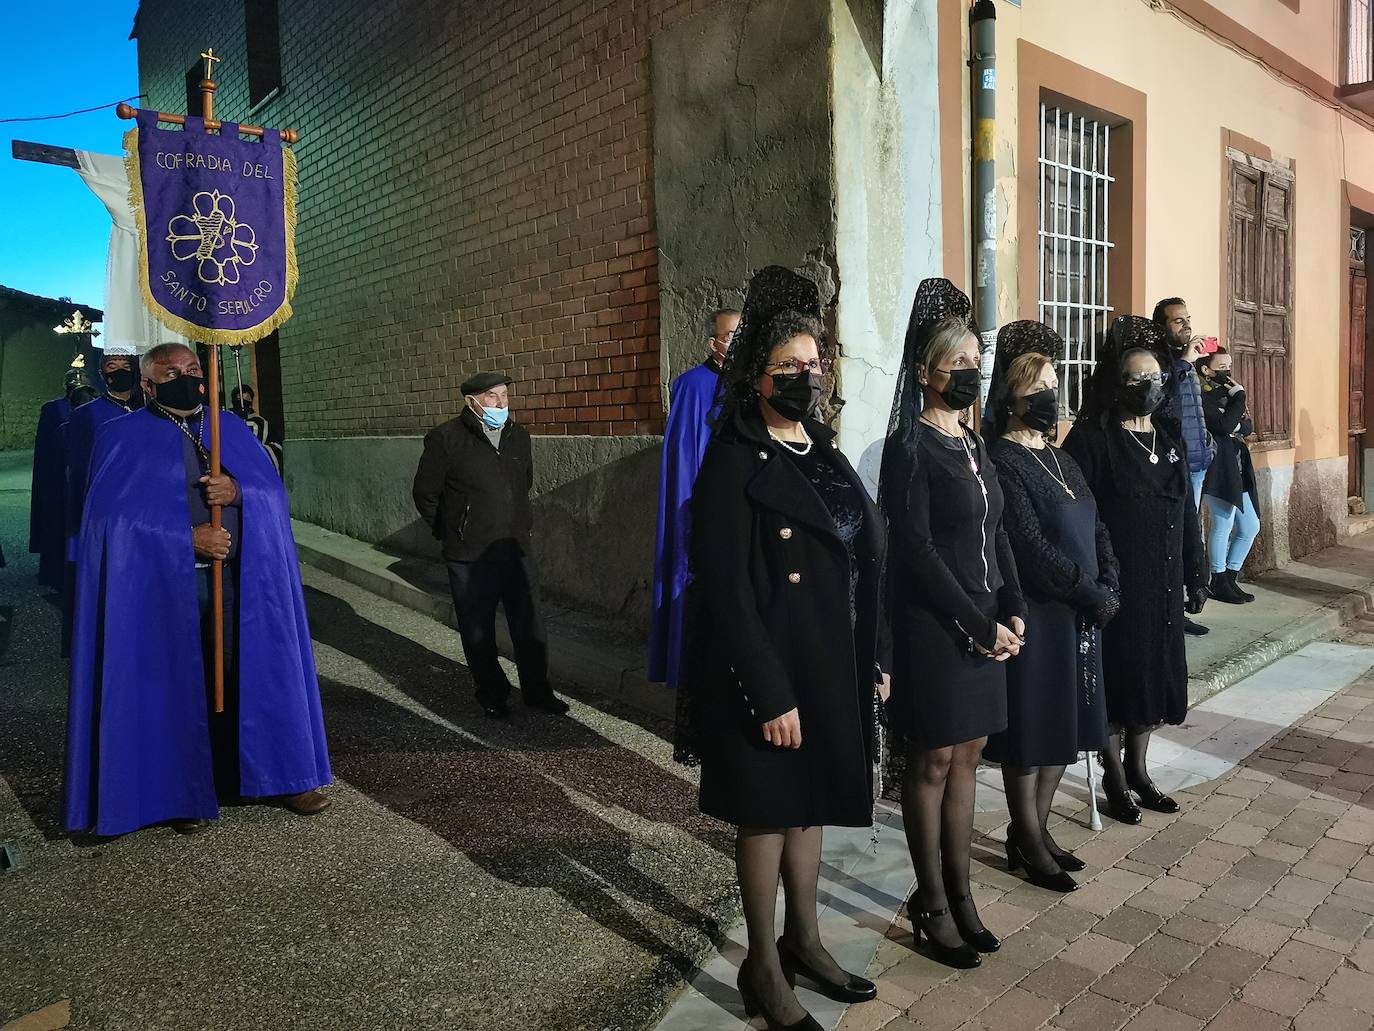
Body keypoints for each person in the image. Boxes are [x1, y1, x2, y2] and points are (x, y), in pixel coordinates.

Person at [676, 266, 885, 1030]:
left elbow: (867, 553)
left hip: (830, 660)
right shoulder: (734, 458)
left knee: (811, 807)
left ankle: (806, 937)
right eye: (788, 367)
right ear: (756, 378)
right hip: (770, 672)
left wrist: (879, 654)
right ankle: (762, 962)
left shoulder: (821, 447)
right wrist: (769, 691)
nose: (806, 376)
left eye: (814, 363)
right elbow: (724, 588)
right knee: (767, 813)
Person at [65, 343, 332, 837]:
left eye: (192, 369)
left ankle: (278, 776)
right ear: (148, 385)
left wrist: (239, 491)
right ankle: (180, 788)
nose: (186, 378)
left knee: (251, 671)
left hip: (239, 581)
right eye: (171, 372)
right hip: (163, 588)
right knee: (176, 684)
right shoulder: (120, 436)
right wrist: (184, 537)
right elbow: (107, 523)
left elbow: (273, 495)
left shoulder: (228, 426)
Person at [879, 278, 1024, 968]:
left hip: (987, 622)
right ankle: (930, 900)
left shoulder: (974, 440)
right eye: (956, 365)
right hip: (937, 629)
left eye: (976, 364)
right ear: (925, 373)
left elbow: (997, 532)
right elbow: (916, 549)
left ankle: (962, 895)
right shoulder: (912, 446)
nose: (970, 374)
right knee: (934, 758)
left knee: (969, 754)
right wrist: (973, 621)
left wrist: (1014, 605)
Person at [983, 322, 1119, 893]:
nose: (1049, 398)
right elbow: (1028, 545)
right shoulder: (1003, 460)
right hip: (1042, 610)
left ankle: (1034, 829)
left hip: (1082, 614)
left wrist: (1109, 576)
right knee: (1035, 729)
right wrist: (1087, 589)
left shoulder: (1062, 458)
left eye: (1054, 386)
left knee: (1071, 722)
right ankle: (1027, 835)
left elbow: (1097, 521)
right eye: (1038, 388)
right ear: (1013, 397)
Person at [1062, 317, 1207, 826]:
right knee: (1118, 678)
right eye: (1136, 380)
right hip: (1119, 579)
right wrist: (1097, 578)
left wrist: (1197, 562)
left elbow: (1185, 504)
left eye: (1156, 379)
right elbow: (1081, 514)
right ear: (1116, 384)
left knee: (1153, 675)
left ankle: (1140, 770)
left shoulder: (1167, 434)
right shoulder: (1094, 440)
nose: (1149, 389)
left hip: (1164, 578)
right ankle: (1114, 777)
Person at [412, 372, 569, 719]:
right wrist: (452, 531)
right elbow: (426, 494)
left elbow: (522, 483)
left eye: (505, 396)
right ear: (471, 402)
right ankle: (493, 692)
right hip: (470, 554)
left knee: (529, 624)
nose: (501, 404)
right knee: (478, 626)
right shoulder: (445, 439)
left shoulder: (518, 436)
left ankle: (538, 691)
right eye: (492, 397)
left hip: (514, 547)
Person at [648, 308, 739, 691]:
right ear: (713, 343)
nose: (738, 341)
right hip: (708, 511)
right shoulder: (693, 385)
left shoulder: (755, 384)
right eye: (731, 335)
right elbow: (685, 462)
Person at [60, 348, 145, 655]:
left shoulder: (149, 409)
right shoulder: (86, 415)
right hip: (108, 511)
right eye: (113, 365)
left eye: (126, 365)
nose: (120, 370)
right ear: (102, 372)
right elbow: (80, 471)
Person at [1153, 298, 1212, 637]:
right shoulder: (1162, 362)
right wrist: (1184, 363)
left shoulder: (1185, 365)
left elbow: (1193, 409)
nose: (1186, 325)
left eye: (1187, 318)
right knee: (1175, 539)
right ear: (1162, 326)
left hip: (1197, 462)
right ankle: (1173, 609)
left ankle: (1188, 599)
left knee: (1192, 535)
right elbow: (1162, 401)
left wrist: (1207, 444)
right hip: (1174, 466)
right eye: (1177, 321)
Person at [1197, 348, 1260, 604]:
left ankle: (1230, 578)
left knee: (1250, 526)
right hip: (1219, 464)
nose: (1228, 371)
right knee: (1223, 523)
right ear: (1207, 369)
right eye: (1222, 366)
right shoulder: (1202, 394)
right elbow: (1223, 426)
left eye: (1229, 365)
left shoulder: (1229, 395)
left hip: (1238, 463)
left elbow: (1246, 426)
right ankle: (1218, 578)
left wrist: (1235, 412)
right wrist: (1240, 398)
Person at [28, 370, 88, 589]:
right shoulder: (53, 409)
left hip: (82, 475)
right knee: (56, 521)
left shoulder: (93, 409)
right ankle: (54, 570)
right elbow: (47, 447)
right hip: (58, 476)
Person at [231, 383, 283, 475]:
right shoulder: (228, 419)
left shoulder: (260, 422)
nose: (242, 402)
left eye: (246, 400)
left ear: (251, 402)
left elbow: (268, 446)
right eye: (238, 399)